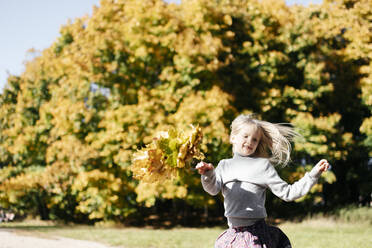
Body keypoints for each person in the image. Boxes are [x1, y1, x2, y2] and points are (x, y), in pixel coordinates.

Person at [196, 114, 330, 248]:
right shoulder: (224, 165)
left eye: (255, 140)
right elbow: (212, 189)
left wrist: (313, 175)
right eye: (246, 136)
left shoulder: (262, 166)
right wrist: (208, 174)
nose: (250, 142)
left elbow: (288, 193)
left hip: (256, 234)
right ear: (233, 138)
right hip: (233, 234)